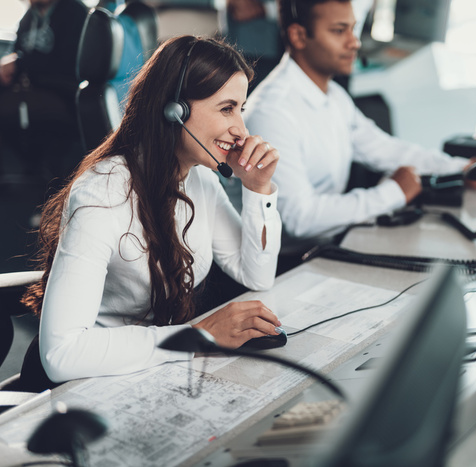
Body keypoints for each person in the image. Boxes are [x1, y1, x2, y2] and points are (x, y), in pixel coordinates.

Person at [18, 36, 283, 390]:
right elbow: (61, 354)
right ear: (175, 110)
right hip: (80, 382)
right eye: (226, 108)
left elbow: (257, 274)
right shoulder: (102, 194)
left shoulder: (200, 179)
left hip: (147, 370)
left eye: (241, 109)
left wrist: (258, 189)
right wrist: (197, 336)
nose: (241, 131)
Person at [222, 0, 476, 253]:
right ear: (299, 36)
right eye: (339, 30)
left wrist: (460, 168)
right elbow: (299, 219)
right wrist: (392, 193)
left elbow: (383, 149)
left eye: (353, 29)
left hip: (324, 246)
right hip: (283, 262)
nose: (354, 42)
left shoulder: (333, 95)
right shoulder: (273, 111)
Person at [0, 0, 88, 180]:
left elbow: (68, 64)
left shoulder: (74, 12)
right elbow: (20, 51)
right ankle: (27, 170)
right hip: (32, 91)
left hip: (65, 94)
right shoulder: (28, 18)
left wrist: (19, 64)